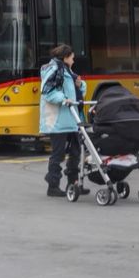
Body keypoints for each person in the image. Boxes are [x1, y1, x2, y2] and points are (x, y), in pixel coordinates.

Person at [40, 44, 89, 197]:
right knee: (58, 154)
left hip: (72, 120)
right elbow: (47, 92)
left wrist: (81, 86)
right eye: (72, 58)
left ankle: (72, 184)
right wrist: (63, 99)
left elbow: (74, 91)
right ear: (66, 57)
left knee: (75, 152)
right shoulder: (55, 70)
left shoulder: (67, 71)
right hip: (58, 121)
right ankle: (53, 186)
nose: (74, 61)